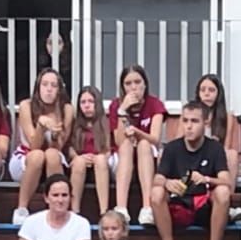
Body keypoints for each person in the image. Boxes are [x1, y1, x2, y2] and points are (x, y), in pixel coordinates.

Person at [151, 101, 234, 240]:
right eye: (185, 120)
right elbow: (157, 179)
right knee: (157, 192)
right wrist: (167, 182)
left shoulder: (215, 148)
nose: (189, 126)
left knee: (223, 192)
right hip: (179, 205)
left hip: (204, 207)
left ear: (206, 122)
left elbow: (227, 181)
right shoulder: (172, 148)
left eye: (194, 121)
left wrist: (207, 179)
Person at [10, 69, 72, 222]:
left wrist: (56, 133)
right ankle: (21, 210)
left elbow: (58, 146)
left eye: (53, 85)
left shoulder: (67, 109)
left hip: (52, 161)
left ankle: (55, 211)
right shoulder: (26, 105)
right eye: (44, 85)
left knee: (51, 154)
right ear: (38, 88)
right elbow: (33, 146)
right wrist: (41, 126)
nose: (49, 89)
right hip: (26, 158)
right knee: (38, 155)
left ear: (59, 90)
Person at [108, 63, 167, 224]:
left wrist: (138, 132)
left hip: (148, 157)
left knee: (143, 144)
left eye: (137, 82)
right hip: (122, 160)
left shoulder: (155, 104)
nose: (133, 87)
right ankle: (121, 209)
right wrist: (123, 111)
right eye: (128, 83)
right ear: (122, 87)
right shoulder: (116, 105)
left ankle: (147, 208)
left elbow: (155, 138)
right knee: (126, 144)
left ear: (145, 84)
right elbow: (119, 141)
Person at [68, 84, 114, 216]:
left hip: (101, 167)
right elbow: (69, 147)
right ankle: (74, 211)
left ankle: (104, 211)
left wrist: (101, 157)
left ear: (97, 103)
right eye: (83, 102)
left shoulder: (106, 122)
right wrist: (77, 157)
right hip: (81, 167)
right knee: (78, 162)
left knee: (100, 159)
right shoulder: (75, 123)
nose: (86, 105)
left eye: (90, 101)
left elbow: (110, 148)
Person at [194, 72, 241, 181]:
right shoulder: (191, 114)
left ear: (218, 93)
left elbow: (226, 147)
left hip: (216, 158)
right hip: (194, 155)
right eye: (203, 90)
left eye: (211, 90)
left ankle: (227, 194)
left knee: (232, 154)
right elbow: (180, 141)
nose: (206, 94)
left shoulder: (227, 116)